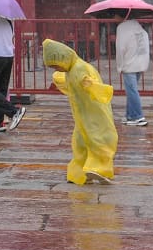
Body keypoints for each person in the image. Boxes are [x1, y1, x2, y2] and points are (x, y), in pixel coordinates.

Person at [42, 38, 118, 185]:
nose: (57, 70)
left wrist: (96, 88)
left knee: (100, 139)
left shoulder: (80, 68)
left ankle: (99, 169)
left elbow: (89, 83)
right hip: (83, 116)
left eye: (56, 66)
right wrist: (57, 80)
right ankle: (81, 172)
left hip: (95, 114)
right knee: (80, 143)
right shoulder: (71, 70)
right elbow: (69, 82)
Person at [116, 12, 151, 126]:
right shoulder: (138, 27)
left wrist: (120, 66)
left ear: (121, 16)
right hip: (140, 63)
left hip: (129, 63)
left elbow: (120, 48)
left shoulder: (121, 28)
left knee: (132, 91)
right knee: (131, 90)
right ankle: (130, 116)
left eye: (115, 15)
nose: (114, 18)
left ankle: (138, 117)